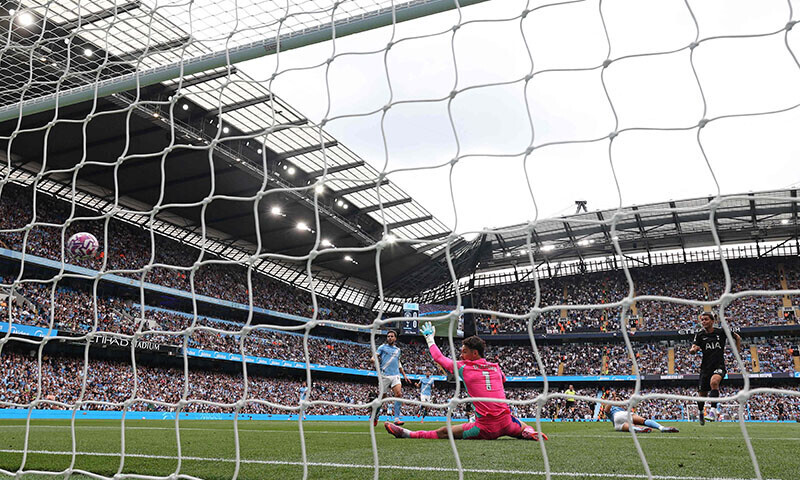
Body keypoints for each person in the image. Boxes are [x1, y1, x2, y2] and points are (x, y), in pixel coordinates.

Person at [385, 322, 547, 441]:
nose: (461, 355)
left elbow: (438, 358)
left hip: (485, 429)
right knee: (521, 425)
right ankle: (528, 431)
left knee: (444, 432)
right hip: (507, 423)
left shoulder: (464, 367)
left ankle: (407, 433)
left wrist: (429, 339)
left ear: (474, 353)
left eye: (464, 352)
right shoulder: (496, 367)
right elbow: (501, 381)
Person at [689, 312, 741, 424]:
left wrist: (737, 352)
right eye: (702, 320)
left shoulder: (721, 332)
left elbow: (737, 337)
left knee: (714, 382)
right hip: (705, 368)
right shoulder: (700, 335)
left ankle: (713, 412)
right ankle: (701, 412)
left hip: (719, 365)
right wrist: (693, 350)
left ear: (712, 321)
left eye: (706, 319)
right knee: (702, 395)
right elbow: (694, 346)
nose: (703, 322)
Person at [376, 330, 412, 425]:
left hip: (395, 375)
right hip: (385, 376)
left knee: (399, 394)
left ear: (395, 338)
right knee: (382, 398)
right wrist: (373, 359)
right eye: (388, 336)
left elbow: (398, 363)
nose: (390, 338)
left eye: (392, 336)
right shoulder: (382, 347)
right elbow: (376, 356)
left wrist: (404, 375)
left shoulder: (398, 350)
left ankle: (396, 419)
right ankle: (376, 414)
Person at [601, 392, 679, 433]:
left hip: (617, 419)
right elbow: (608, 408)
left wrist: (613, 399)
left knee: (630, 426)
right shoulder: (619, 408)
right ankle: (661, 428)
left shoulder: (613, 410)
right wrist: (614, 399)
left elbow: (606, 410)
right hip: (624, 414)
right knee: (643, 421)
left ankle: (639, 429)